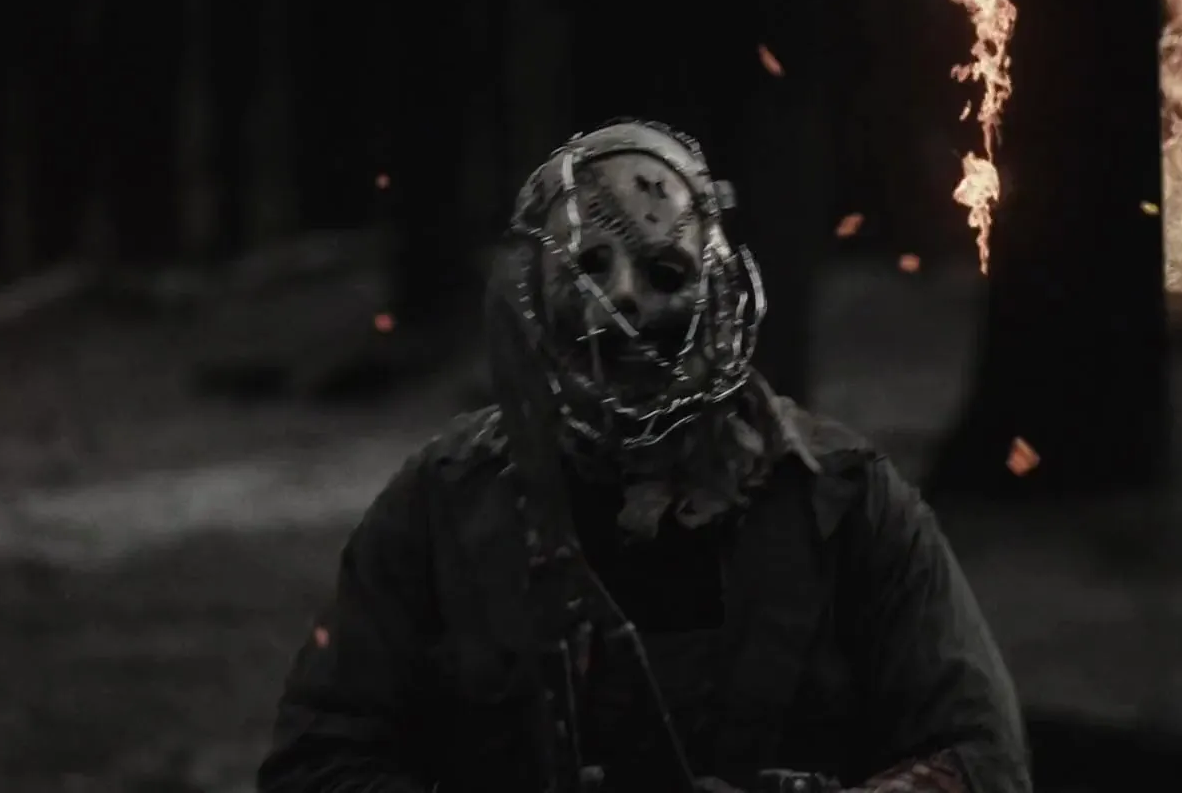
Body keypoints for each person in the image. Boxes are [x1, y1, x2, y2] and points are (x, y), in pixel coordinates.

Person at [258, 120, 1031, 793]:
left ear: (718, 289)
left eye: (665, 271)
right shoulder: (444, 504)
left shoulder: (846, 503)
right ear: (536, 294)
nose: (623, 299)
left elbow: (981, 759)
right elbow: (317, 762)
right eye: (589, 266)